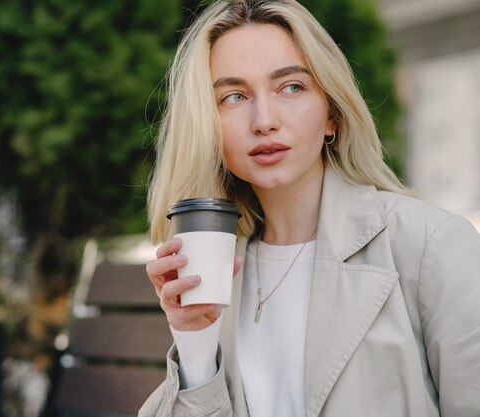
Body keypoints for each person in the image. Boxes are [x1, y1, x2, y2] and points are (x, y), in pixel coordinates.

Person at [139, 0, 480, 416]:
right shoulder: (215, 271)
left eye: (291, 87)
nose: (264, 120)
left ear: (331, 114)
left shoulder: (431, 245)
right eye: (233, 96)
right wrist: (194, 347)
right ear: (207, 125)